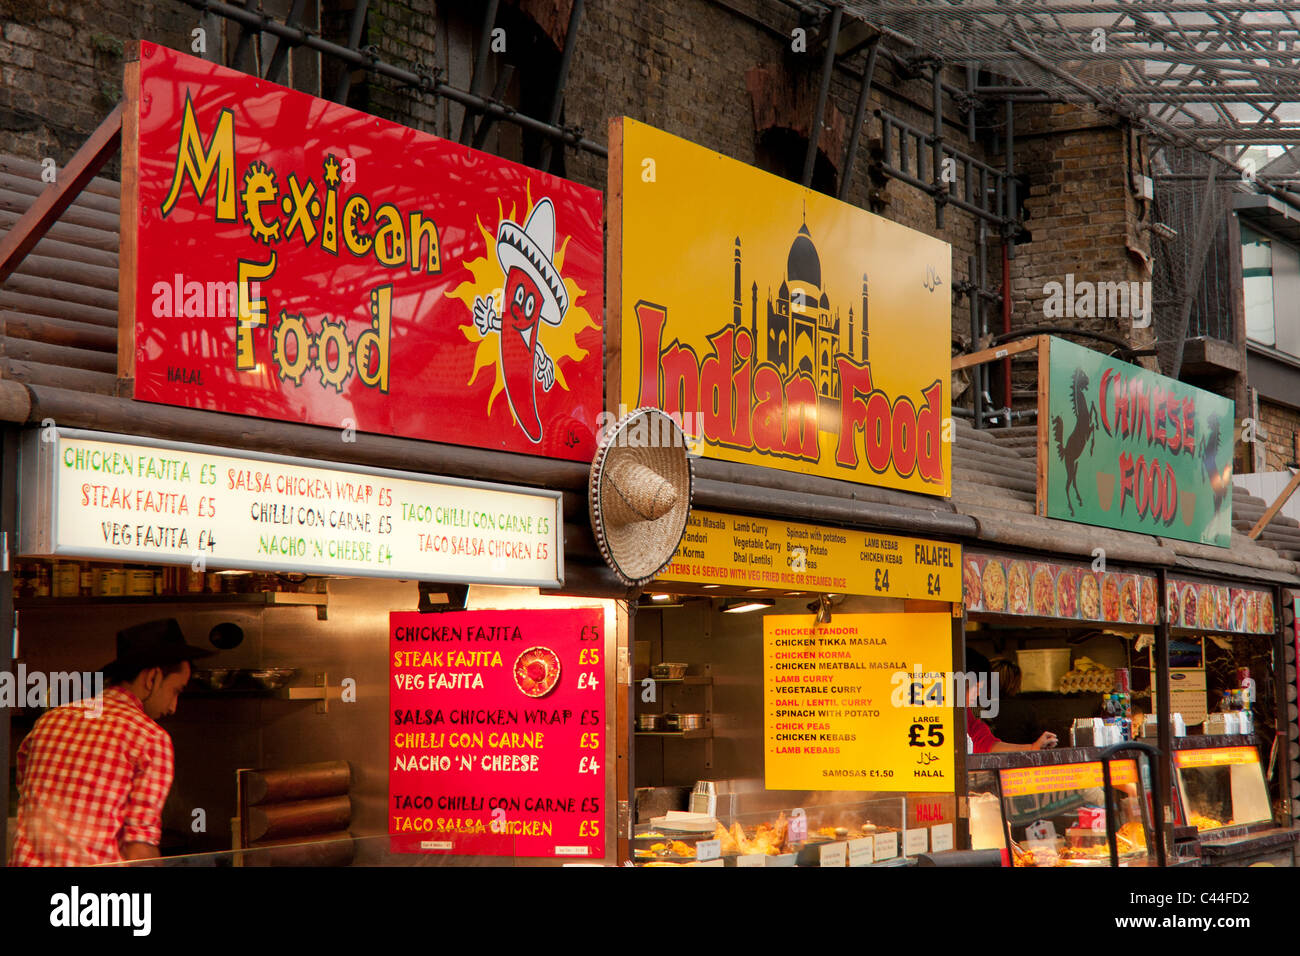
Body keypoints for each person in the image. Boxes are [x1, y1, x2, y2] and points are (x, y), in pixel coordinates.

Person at [8, 618, 212, 866]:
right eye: (176, 691)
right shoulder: (150, 738)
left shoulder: (50, 720)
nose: (173, 706)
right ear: (152, 678)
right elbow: (138, 850)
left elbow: (24, 790)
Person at [965, 649, 1057, 753]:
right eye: (975, 687)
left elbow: (987, 744)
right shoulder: (947, 712)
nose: (978, 694)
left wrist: (1033, 748)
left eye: (981, 688)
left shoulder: (966, 714)